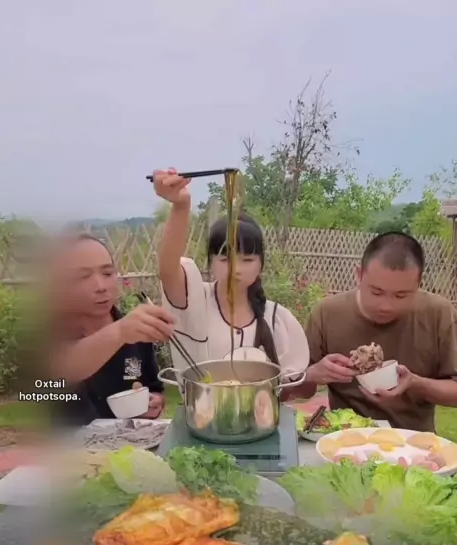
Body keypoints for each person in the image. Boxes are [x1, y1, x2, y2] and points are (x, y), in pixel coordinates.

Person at [152, 169, 309, 378]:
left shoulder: (278, 320)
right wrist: (181, 206)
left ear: (261, 264)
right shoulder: (194, 301)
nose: (236, 269)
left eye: (247, 260)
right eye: (225, 260)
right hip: (201, 400)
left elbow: (291, 383)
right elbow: (168, 271)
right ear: (211, 261)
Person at [304, 232, 457, 431]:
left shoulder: (439, 314)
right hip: (346, 438)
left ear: (419, 283)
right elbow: (299, 390)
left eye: (401, 296)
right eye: (376, 292)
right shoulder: (326, 313)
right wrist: (312, 374)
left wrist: (415, 383)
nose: (386, 306)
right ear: (359, 274)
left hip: (414, 441)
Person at [49, 232, 175, 426]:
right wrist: (119, 332)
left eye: (107, 273)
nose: (100, 286)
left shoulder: (136, 334)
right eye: (83, 276)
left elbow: (154, 388)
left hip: (131, 440)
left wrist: (155, 402)